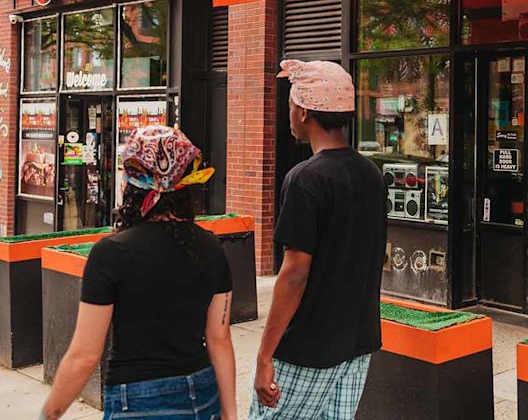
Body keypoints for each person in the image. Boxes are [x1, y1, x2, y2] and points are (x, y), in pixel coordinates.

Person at [41, 125, 237, 420]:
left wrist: (49, 415)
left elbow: (84, 356)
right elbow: (219, 338)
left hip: (139, 399)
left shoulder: (111, 254)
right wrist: (230, 412)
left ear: (131, 183)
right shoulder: (211, 247)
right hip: (202, 392)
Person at [250, 60, 387, 420]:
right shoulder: (371, 174)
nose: (289, 113)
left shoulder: (305, 179)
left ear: (304, 111)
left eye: (291, 104)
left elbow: (294, 272)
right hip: (358, 343)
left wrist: (265, 356)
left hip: (306, 348)